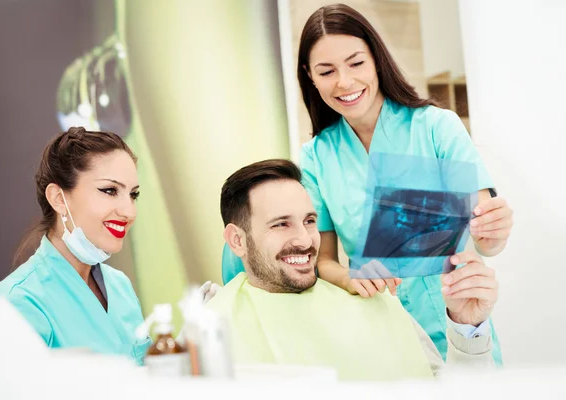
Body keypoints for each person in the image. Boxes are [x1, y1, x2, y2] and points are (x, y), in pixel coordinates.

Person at [222, 3, 512, 364]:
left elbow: (486, 238)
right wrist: (351, 278)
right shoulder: (316, 155)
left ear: (376, 59)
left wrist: (495, 229)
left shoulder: (438, 127)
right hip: (381, 325)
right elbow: (323, 260)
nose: (344, 82)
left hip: (460, 315)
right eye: (326, 71)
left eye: (356, 63)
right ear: (309, 76)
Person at [209, 159, 497, 380]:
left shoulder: (376, 301)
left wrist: (466, 326)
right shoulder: (210, 330)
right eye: (281, 224)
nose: (305, 239)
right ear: (237, 240)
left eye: (309, 221)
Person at [0, 127, 150, 364]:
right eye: (109, 190)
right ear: (58, 198)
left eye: (133, 195)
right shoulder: (18, 302)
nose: (129, 211)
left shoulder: (121, 287)